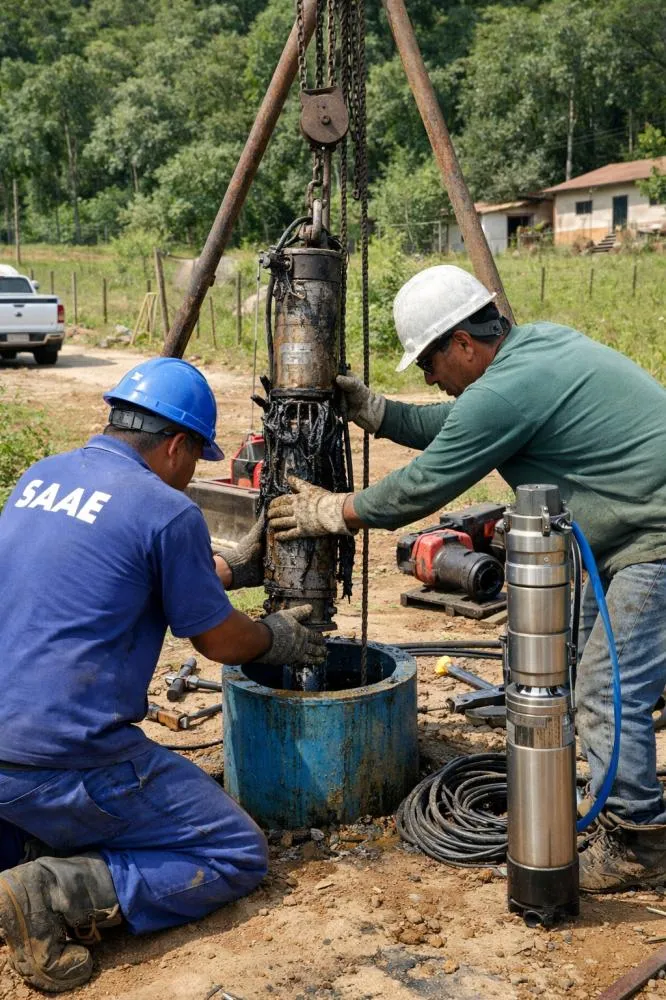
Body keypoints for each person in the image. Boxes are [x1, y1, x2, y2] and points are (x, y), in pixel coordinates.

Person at [267, 263, 666, 893]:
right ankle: (614, 798)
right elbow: (457, 425)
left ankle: (638, 841)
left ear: (463, 343)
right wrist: (378, 412)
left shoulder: (506, 392)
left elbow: (424, 484)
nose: (430, 377)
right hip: (628, 536)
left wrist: (335, 511)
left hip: (655, 543)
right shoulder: (535, 348)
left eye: (430, 362)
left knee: (602, 689)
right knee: (578, 671)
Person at [0, 357, 324, 993]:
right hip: (63, 757)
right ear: (176, 444)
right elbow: (218, 641)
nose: (191, 473)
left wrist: (227, 569)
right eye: (195, 458)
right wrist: (275, 636)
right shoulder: (167, 511)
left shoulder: (40, 477)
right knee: (234, 851)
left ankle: (24, 856)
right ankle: (53, 892)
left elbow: (111, 571)